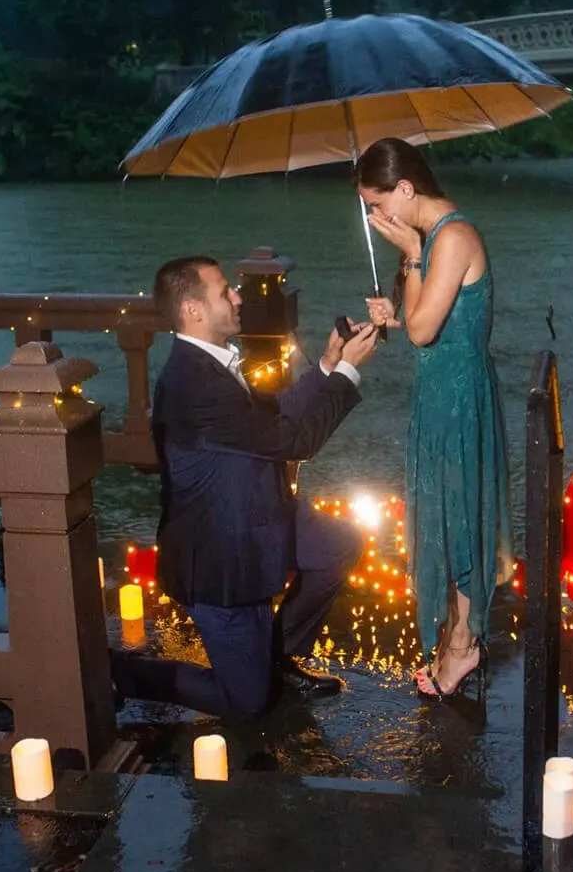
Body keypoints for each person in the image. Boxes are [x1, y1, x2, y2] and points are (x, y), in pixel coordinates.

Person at [110, 255, 379, 722]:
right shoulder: (195, 382)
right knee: (247, 703)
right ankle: (122, 674)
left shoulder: (210, 364)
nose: (238, 297)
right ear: (193, 310)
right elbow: (295, 441)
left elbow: (272, 414)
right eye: (224, 292)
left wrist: (327, 365)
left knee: (337, 547)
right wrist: (348, 374)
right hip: (221, 557)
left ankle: (277, 656)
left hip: (258, 515)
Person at [360, 137, 512, 699]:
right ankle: (457, 633)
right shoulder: (433, 238)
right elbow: (422, 323)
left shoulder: (452, 237)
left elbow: (426, 331)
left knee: (462, 516)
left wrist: (415, 258)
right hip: (440, 390)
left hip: (459, 396)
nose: (377, 217)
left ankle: (464, 647)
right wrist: (392, 313)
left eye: (378, 204)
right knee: (445, 515)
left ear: (405, 188)